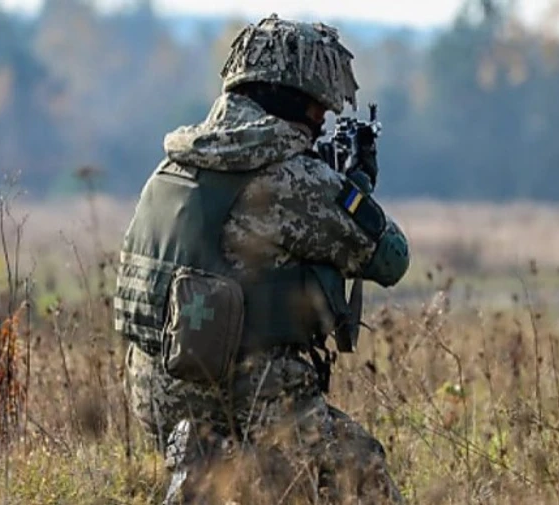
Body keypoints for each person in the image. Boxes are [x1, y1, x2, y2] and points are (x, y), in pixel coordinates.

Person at [114, 14, 410, 504]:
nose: (321, 121)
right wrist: (354, 192)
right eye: (320, 110)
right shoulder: (297, 180)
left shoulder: (171, 166)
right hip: (257, 402)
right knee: (363, 474)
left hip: (160, 401)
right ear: (298, 99)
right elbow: (391, 259)